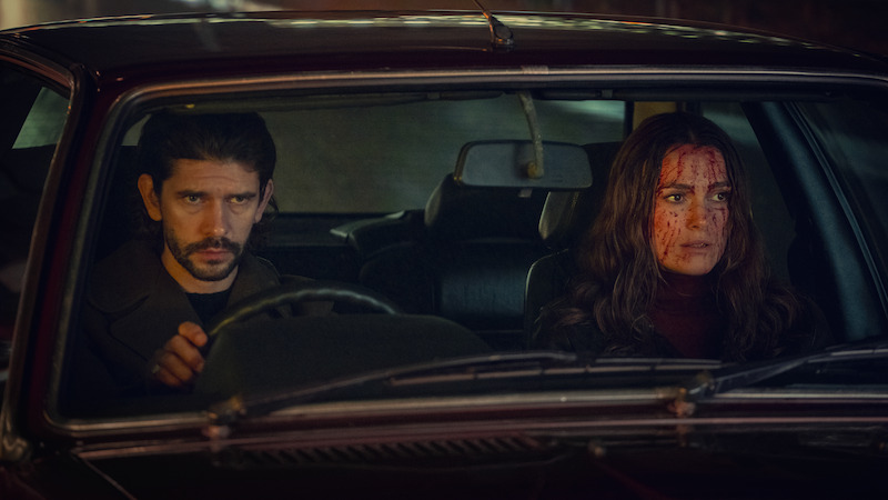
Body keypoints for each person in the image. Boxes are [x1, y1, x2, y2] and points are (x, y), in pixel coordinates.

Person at [533, 112, 830, 361]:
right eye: (676, 197)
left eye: (719, 196)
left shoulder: (787, 321)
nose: (701, 219)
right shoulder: (578, 332)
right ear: (633, 209)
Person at [71, 111, 290, 400]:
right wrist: (149, 395)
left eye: (238, 199)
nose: (217, 227)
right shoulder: (75, 318)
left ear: (262, 201)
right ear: (152, 198)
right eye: (193, 198)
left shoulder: (310, 309)